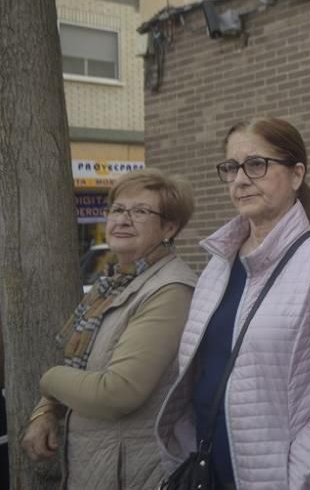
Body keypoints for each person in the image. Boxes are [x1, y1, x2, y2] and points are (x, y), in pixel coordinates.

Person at [155, 117, 310, 490]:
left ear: (296, 175)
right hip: (212, 468)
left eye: (256, 165)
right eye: (230, 168)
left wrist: (296, 478)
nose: (240, 179)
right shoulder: (218, 265)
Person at [21, 169, 198, 489]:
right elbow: (81, 364)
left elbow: (118, 392)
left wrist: (48, 381)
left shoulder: (171, 290)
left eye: (140, 211)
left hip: (134, 472)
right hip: (96, 465)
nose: (123, 219)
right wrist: (46, 410)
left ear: (169, 227)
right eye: (117, 209)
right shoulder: (113, 285)